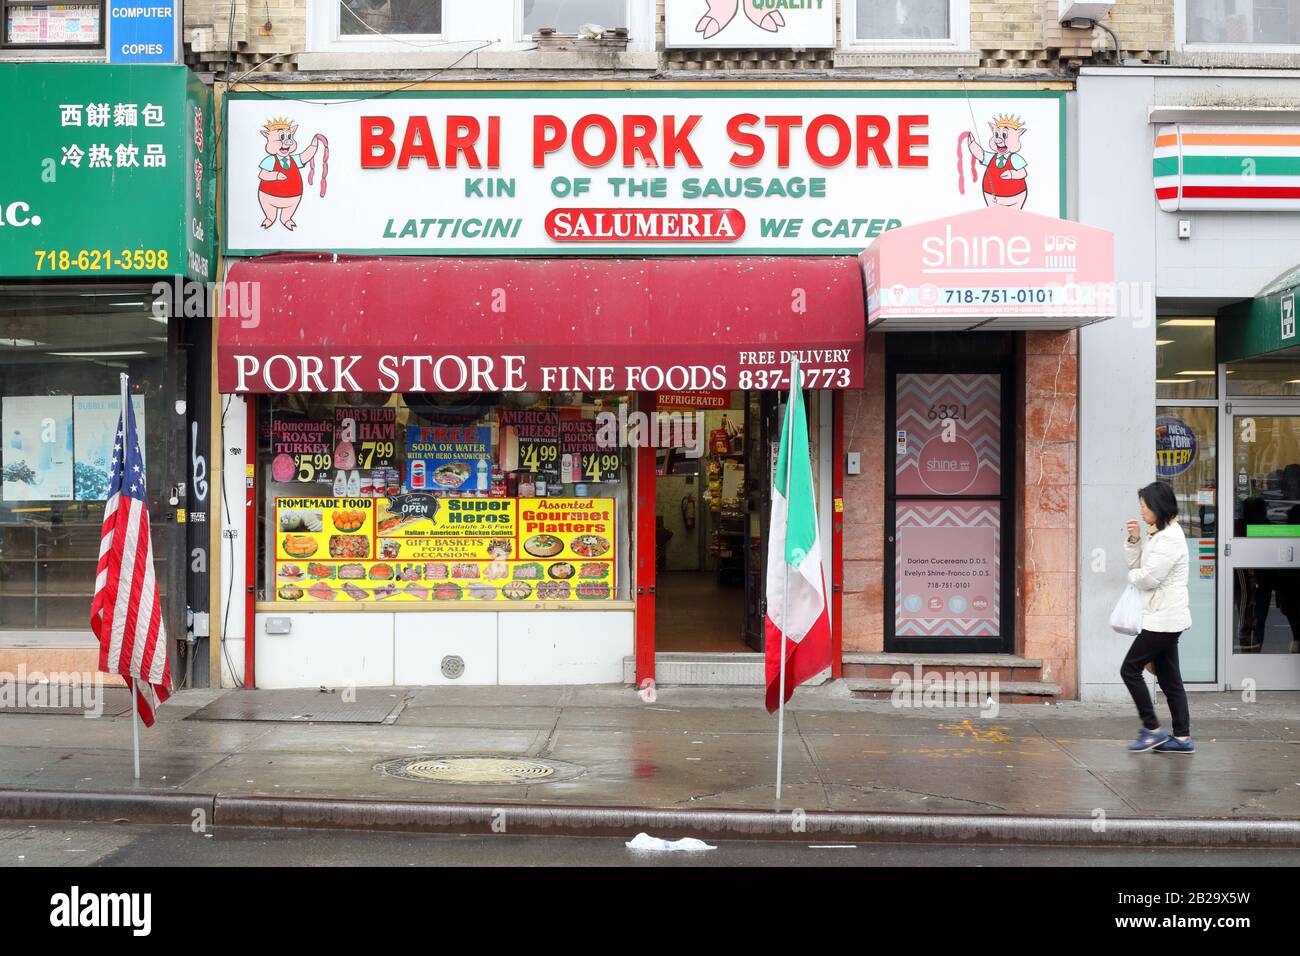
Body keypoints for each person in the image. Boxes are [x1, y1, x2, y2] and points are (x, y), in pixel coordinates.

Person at [1120, 481, 1194, 754]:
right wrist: (1134, 540)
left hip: (1163, 618)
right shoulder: (1158, 534)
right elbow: (1138, 565)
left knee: (1129, 669)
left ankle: (1152, 729)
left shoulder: (1170, 538)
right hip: (1162, 616)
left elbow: (1148, 578)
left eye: (1144, 505)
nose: (1141, 510)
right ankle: (1183, 738)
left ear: (1157, 506)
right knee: (1169, 678)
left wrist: (1132, 578)